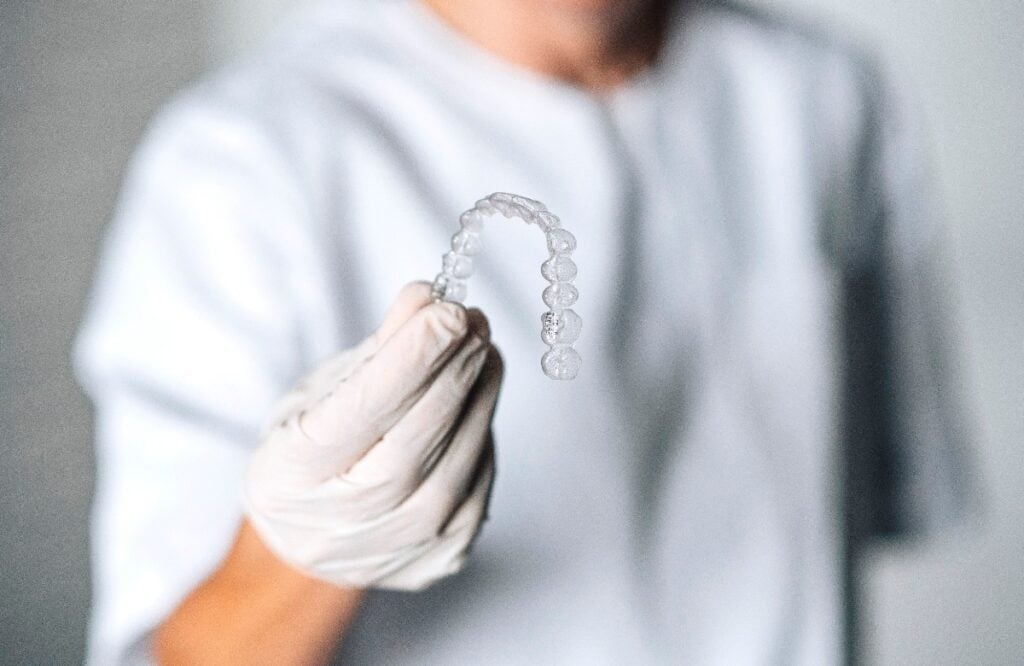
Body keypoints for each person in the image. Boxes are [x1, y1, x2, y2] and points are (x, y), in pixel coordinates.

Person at [74, 0, 975, 663]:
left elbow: (867, 504)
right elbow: (183, 651)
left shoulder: (824, 97)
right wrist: (306, 548)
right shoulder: (241, 161)